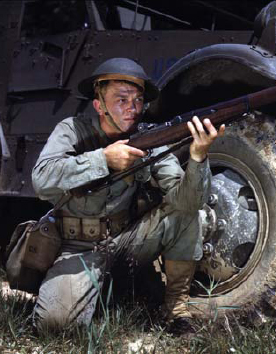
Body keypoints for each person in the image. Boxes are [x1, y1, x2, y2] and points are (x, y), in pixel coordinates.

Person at [31, 57, 225, 334]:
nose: (132, 109)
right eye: (121, 100)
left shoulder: (150, 139)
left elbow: (189, 202)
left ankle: (176, 310)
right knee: (54, 326)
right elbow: (41, 180)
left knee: (184, 212)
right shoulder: (71, 130)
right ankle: (106, 289)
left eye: (137, 101)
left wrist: (197, 157)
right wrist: (102, 160)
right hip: (79, 247)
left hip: (130, 241)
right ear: (99, 105)